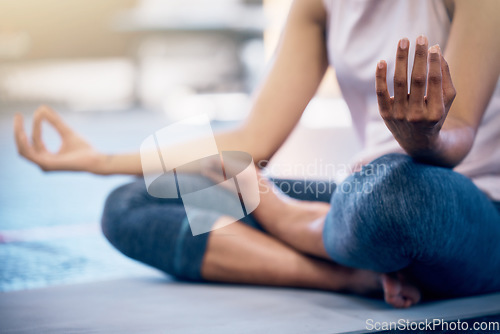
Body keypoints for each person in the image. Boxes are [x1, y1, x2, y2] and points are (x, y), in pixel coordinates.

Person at [14, 0, 500, 308]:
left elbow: (455, 136)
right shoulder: (319, 5)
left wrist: (420, 137)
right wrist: (100, 160)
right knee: (132, 205)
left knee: (394, 198)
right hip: (358, 205)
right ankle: (353, 277)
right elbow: (251, 141)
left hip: (460, 208)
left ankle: (301, 226)